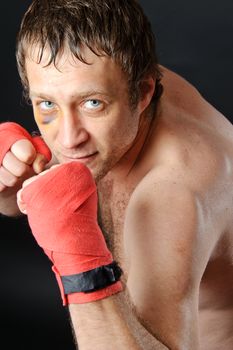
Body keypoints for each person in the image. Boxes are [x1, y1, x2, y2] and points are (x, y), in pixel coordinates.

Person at [0, 0, 232, 349]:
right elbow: (19, 202)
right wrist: (9, 179)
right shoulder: (110, 75)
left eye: (92, 104)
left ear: (142, 93)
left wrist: (79, 268)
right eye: (47, 104)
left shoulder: (173, 193)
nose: (67, 139)